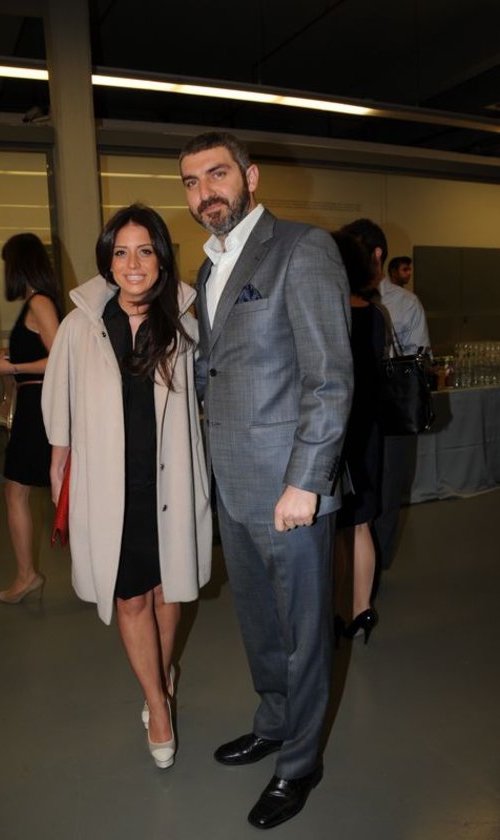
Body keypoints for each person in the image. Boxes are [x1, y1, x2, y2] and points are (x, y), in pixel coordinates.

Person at [179, 131, 353, 829]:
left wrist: (305, 481)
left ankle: (300, 763)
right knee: (258, 621)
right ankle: (275, 722)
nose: (205, 192)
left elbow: (330, 378)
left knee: (304, 632)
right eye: (191, 182)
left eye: (217, 174)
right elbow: (214, 369)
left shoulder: (302, 249)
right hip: (234, 482)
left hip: (290, 489)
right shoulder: (208, 267)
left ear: (249, 177)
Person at [41, 204, 211, 771]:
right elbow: (59, 406)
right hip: (109, 487)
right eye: (120, 252)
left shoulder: (184, 321)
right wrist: (58, 468)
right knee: (130, 596)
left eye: (144, 250)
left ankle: (160, 672)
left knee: (168, 592)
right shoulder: (81, 324)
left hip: (170, 479)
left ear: (161, 258)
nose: (132, 263)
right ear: (107, 261)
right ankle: (157, 704)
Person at [341, 219, 431, 571]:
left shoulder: (405, 303)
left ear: (375, 255)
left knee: (387, 490)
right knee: (355, 491)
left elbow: (421, 359)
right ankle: (351, 571)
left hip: (391, 412)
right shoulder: (336, 297)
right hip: (349, 410)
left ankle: (374, 571)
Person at [0, 233, 61, 603]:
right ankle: (26, 574)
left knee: (24, 489)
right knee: (23, 489)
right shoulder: (36, 302)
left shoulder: (39, 302)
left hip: (39, 408)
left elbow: (60, 357)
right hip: (35, 406)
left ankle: (27, 575)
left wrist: (12, 366)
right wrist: (11, 359)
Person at [331, 231, 388, 644]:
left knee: (337, 527)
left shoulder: (331, 313)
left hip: (338, 426)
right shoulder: (375, 313)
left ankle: (336, 612)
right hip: (369, 425)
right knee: (363, 522)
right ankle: (361, 610)